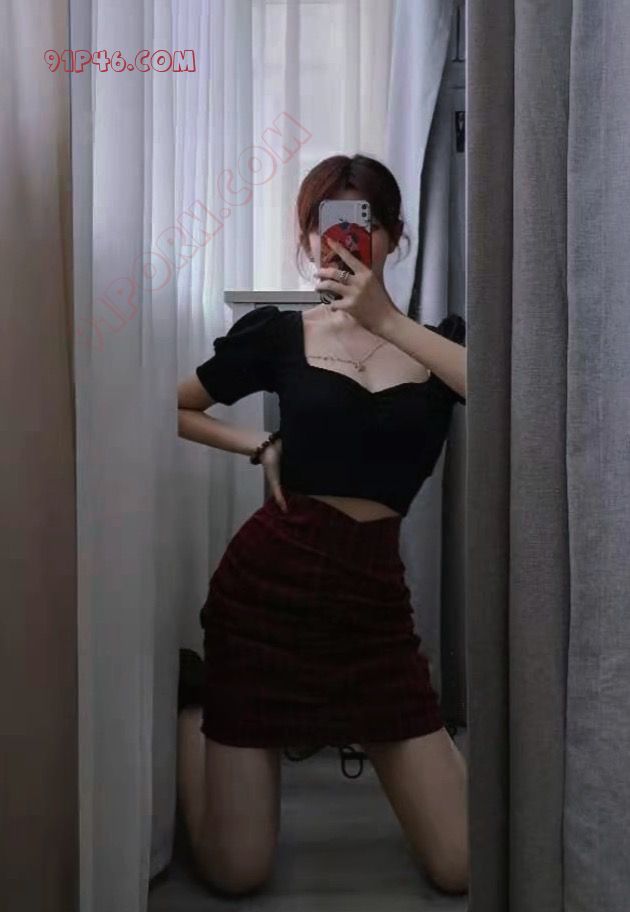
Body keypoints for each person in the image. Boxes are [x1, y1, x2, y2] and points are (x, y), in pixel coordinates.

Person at [175, 154, 468, 898]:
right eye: (322, 224)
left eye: (360, 222)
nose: (338, 240)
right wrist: (258, 443)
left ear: (393, 235)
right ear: (306, 238)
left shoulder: (439, 344)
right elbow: (172, 405)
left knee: (462, 862)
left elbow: (510, 393)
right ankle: (194, 706)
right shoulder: (279, 335)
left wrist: (386, 321)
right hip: (268, 595)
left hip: (372, 609)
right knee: (237, 873)